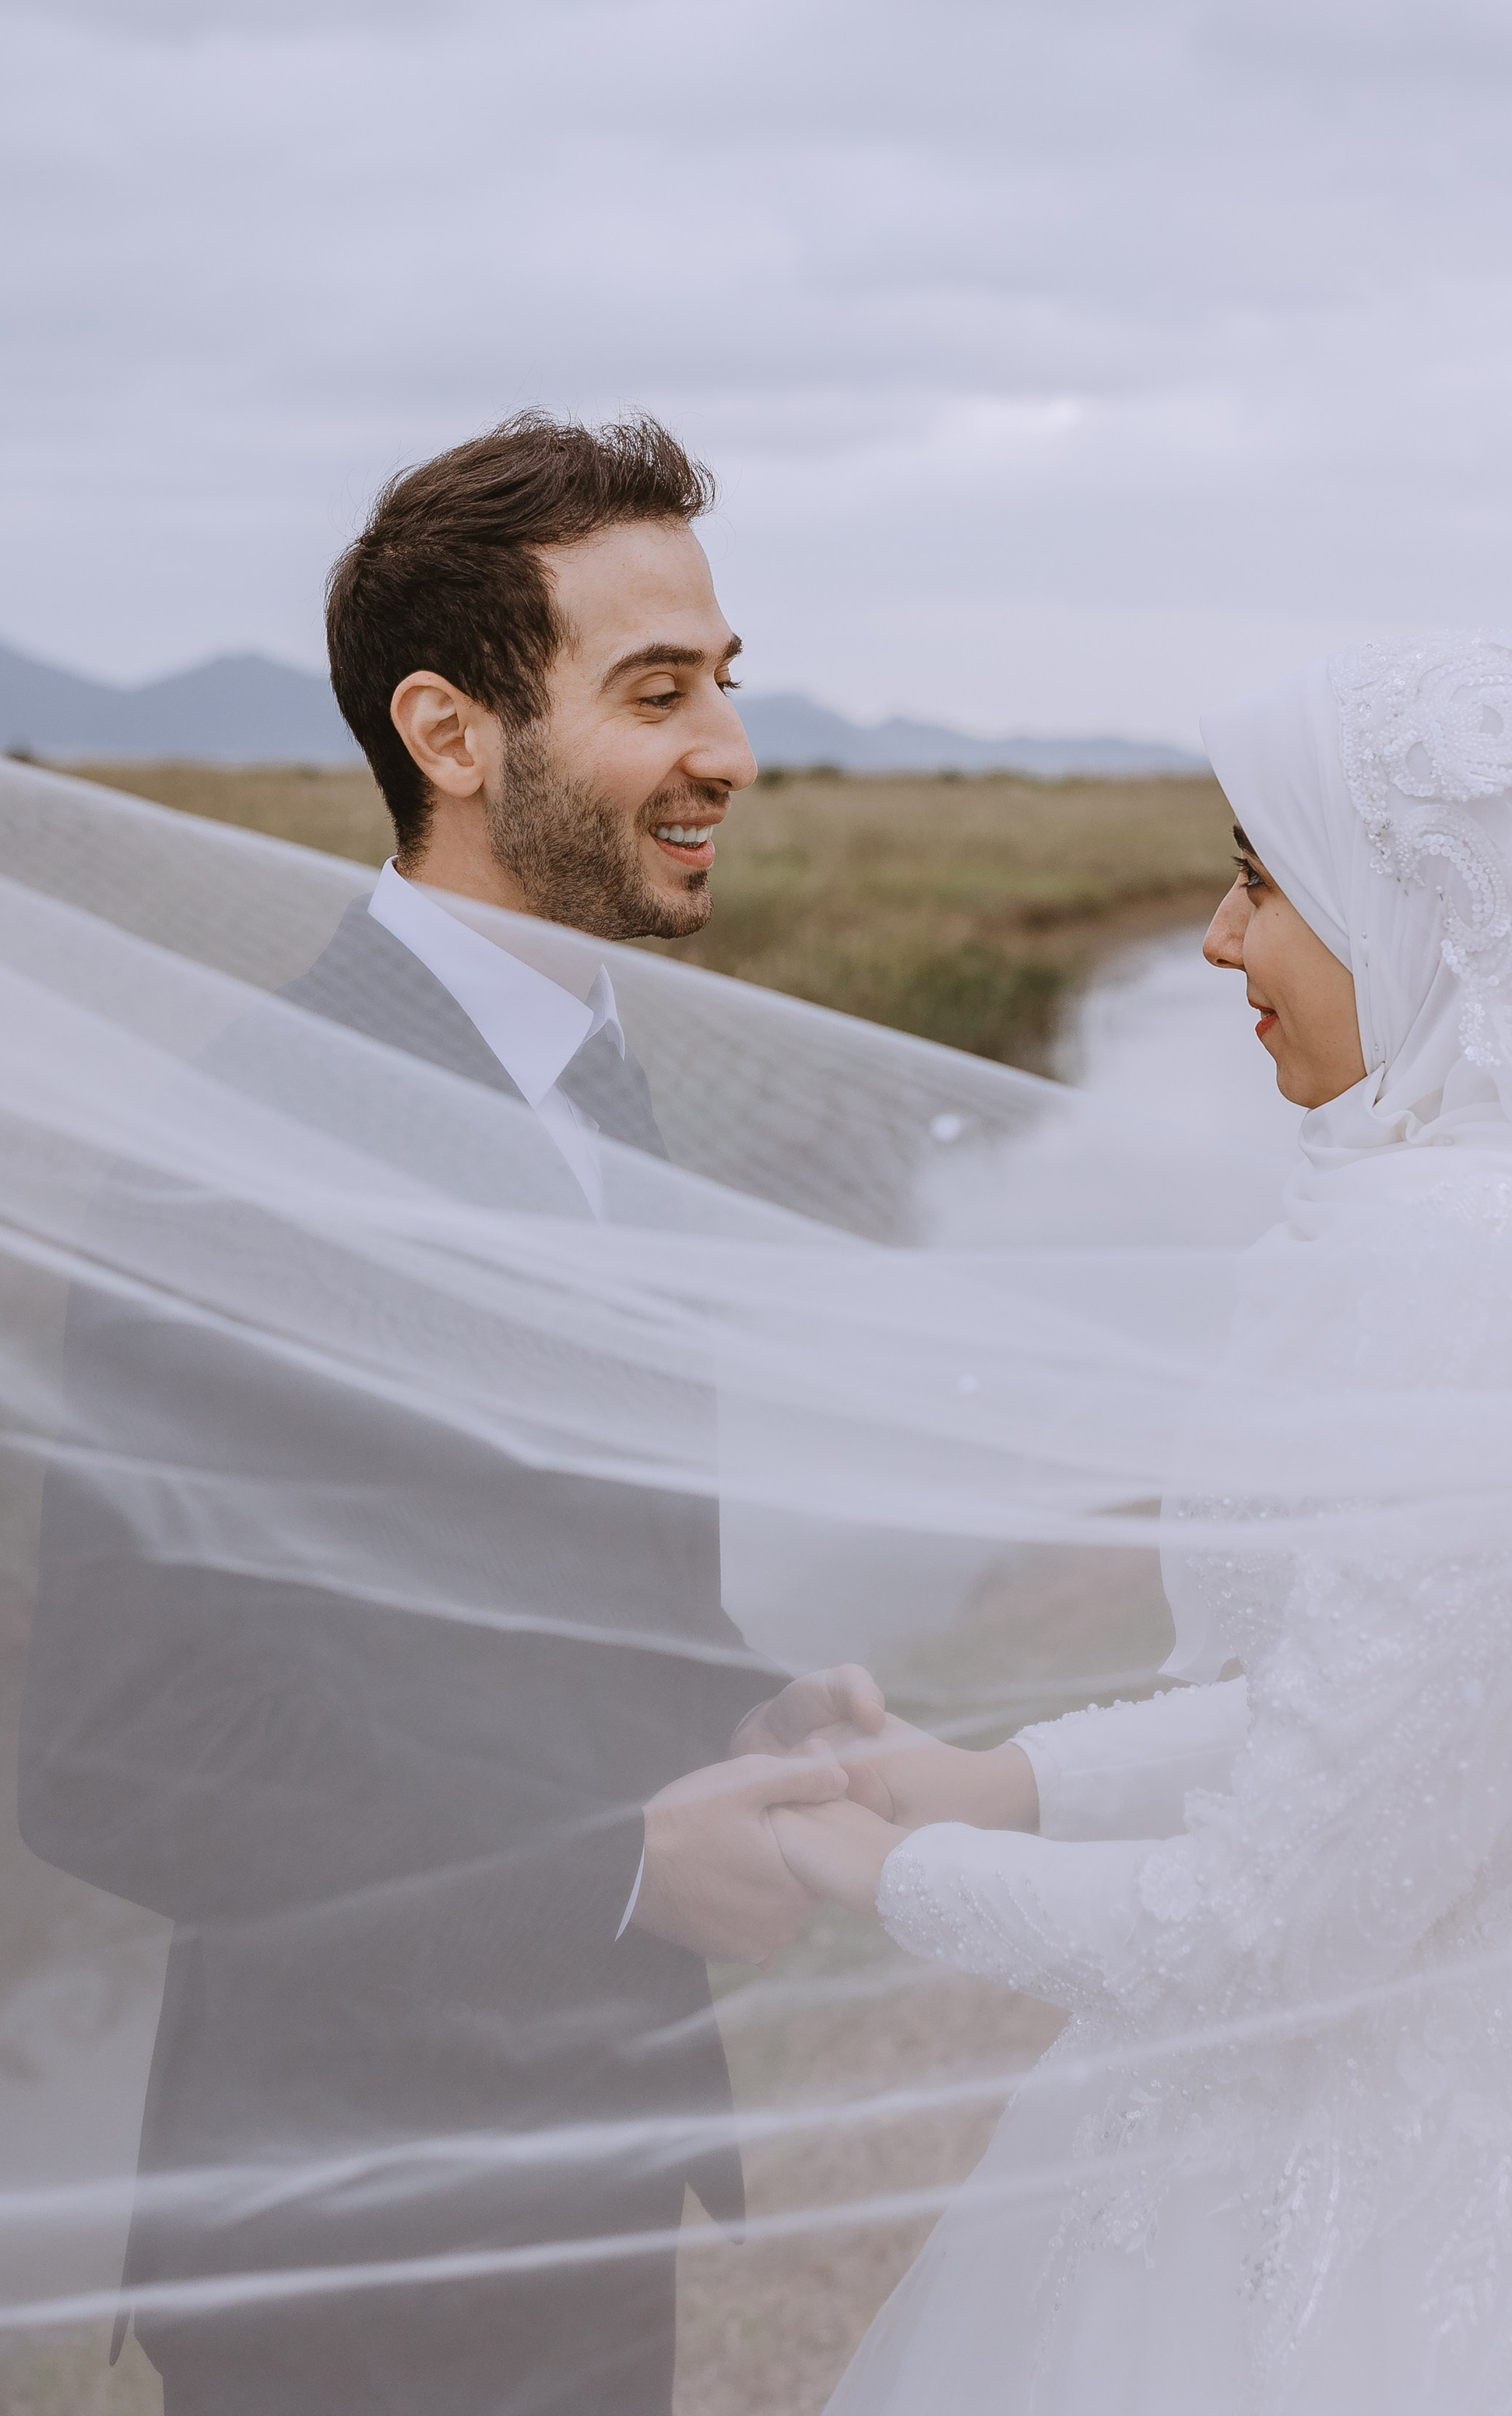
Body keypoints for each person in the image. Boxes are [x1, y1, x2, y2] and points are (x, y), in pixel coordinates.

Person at [764, 634, 1512, 2415]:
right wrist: (1002, 1786)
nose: (1214, 938)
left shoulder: (1489, 1264)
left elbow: (1270, 1927)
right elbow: (1391, 1709)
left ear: (1424, 906)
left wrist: (880, 1873)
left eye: (1263, 879)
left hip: (1444, 2214)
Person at [18, 413, 882, 2414]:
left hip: (589, 2166)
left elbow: (505, 1601)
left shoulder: (595, 1082)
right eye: (653, 693)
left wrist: (734, 1705)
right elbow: (123, 1747)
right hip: (350, 2242)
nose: (726, 753)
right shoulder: (256, 1148)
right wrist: (612, 1865)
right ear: (452, 731)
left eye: (722, 686)